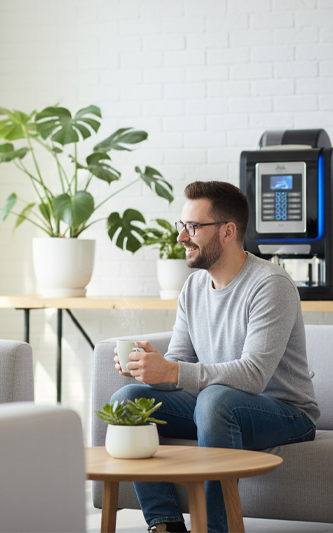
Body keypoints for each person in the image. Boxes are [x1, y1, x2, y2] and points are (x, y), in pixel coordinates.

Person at [111, 181, 319, 533]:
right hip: (216, 407)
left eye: (192, 227)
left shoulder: (271, 284)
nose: (181, 237)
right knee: (127, 401)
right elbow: (179, 361)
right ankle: (165, 525)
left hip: (285, 412)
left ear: (228, 231)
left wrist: (172, 371)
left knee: (214, 400)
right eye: (181, 225)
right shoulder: (193, 287)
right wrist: (149, 368)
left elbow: (253, 375)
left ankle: (213, 529)